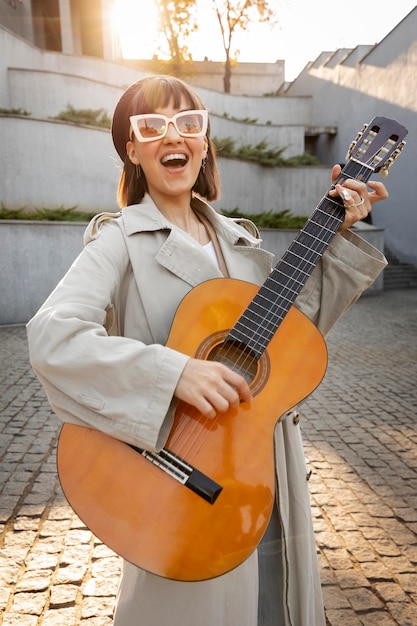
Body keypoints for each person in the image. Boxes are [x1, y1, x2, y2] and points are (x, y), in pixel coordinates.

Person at [27, 75, 388, 626]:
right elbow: (53, 335)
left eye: (189, 123)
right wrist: (172, 373)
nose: (174, 136)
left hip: (263, 467)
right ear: (132, 148)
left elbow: (291, 338)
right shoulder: (117, 240)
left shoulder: (241, 244)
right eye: (152, 126)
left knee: (276, 605)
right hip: (176, 479)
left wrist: (338, 230)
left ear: (204, 141)